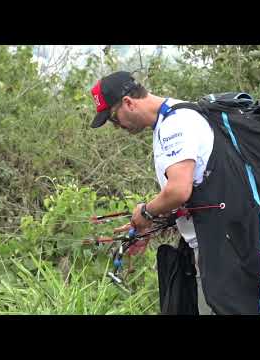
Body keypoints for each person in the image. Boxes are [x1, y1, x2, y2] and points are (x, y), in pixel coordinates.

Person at [89, 71, 215, 315]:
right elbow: (197, 188)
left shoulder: (174, 125)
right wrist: (153, 222)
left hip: (218, 249)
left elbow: (179, 189)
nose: (117, 128)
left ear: (128, 102)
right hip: (214, 245)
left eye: (114, 119)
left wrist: (146, 212)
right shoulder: (172, 117)